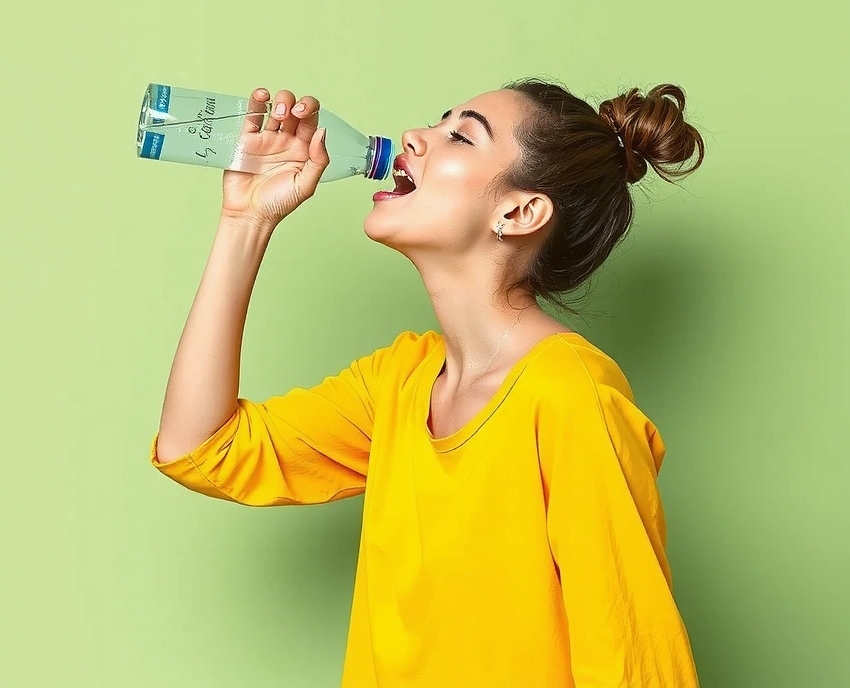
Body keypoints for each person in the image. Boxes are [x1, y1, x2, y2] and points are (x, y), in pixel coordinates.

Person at [150, 78, 706, 688]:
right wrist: (246, 221)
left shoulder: (572, 395)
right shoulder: (400, 380)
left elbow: (637, 663)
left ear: (519, 212)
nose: (414, 136)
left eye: (461, 137)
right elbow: (201, 447)